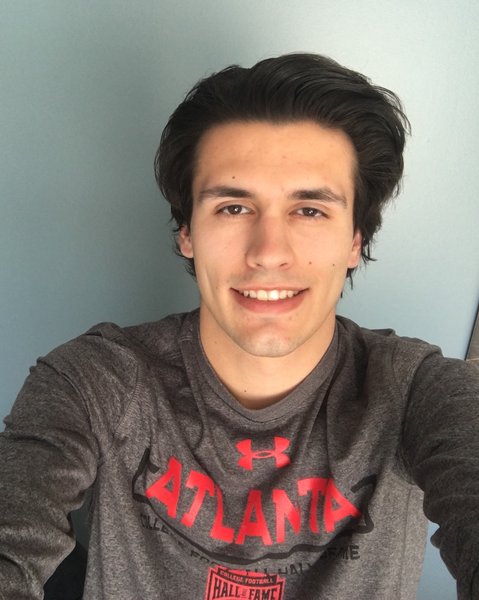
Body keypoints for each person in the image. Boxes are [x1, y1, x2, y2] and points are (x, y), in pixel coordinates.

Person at [0, 53, 478, 600]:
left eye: (310, 210)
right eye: (233, 208)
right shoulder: (95, 380)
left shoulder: (419, 392)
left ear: (355, 241)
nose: (269, 252)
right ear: (186, 233)